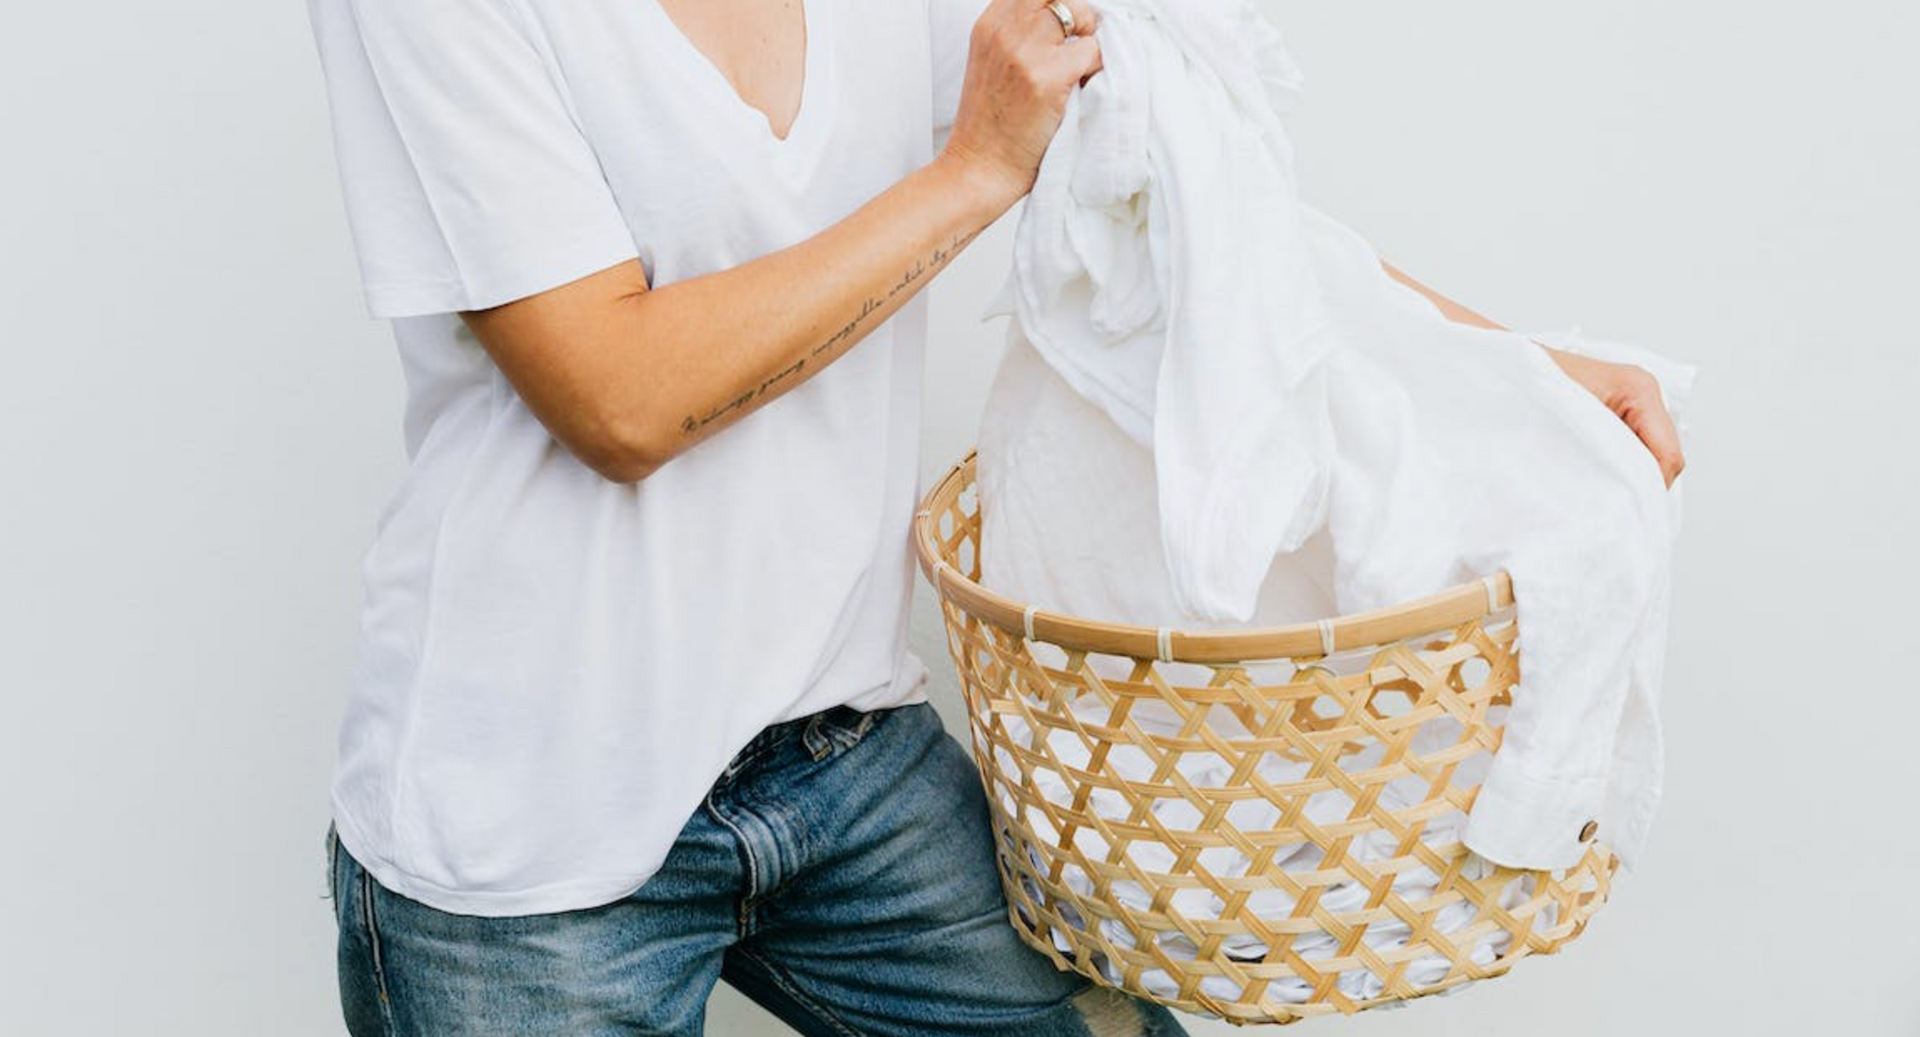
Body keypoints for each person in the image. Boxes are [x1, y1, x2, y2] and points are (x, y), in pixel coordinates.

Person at [303, 0, 1682, 1033]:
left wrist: (1519, 373)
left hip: (837, 746)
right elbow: (615, 399)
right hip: (525, 814)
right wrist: (974, 170)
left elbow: (1211, 221)